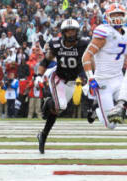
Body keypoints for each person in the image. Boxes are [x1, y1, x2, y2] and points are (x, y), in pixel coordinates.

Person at [82, 3, 127, 161]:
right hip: (103, 82)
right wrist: (90, 77)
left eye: (120, 14)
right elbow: (86, 56)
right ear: (107, 17)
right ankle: (96, 111)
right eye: (114, 15)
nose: (117, 18)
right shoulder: (103, 32)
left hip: (120, 79)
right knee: (111, 125)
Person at [37, 19, 89, 154]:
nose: (71, 33)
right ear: (63, 32)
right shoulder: (56, 45)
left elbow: (90, 61)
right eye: (68, 31)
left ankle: (43, 135)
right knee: (60, 106)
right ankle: (47, 102)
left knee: (57, 110)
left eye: (73, 30)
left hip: (72, 82)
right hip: (58, 78)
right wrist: (38, 76)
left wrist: (85, 76)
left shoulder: (83, 44)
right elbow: (45, 61)